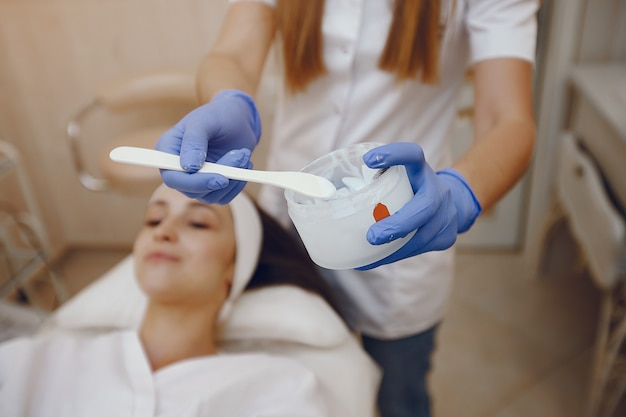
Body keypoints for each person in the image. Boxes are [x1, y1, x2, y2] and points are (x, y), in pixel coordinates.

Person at [155, 1, 539, 416]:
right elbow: (234, 53)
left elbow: (509, 119)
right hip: (290, 231)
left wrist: (462, 190)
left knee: (399, 398)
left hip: (399, 243)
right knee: (296, 392)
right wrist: (229, 101)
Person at [0, 184, 346, 417]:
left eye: (198, 223)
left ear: (234, 268)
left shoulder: (281, 388)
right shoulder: (33, 362)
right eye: (153, 219)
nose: (163, 231)